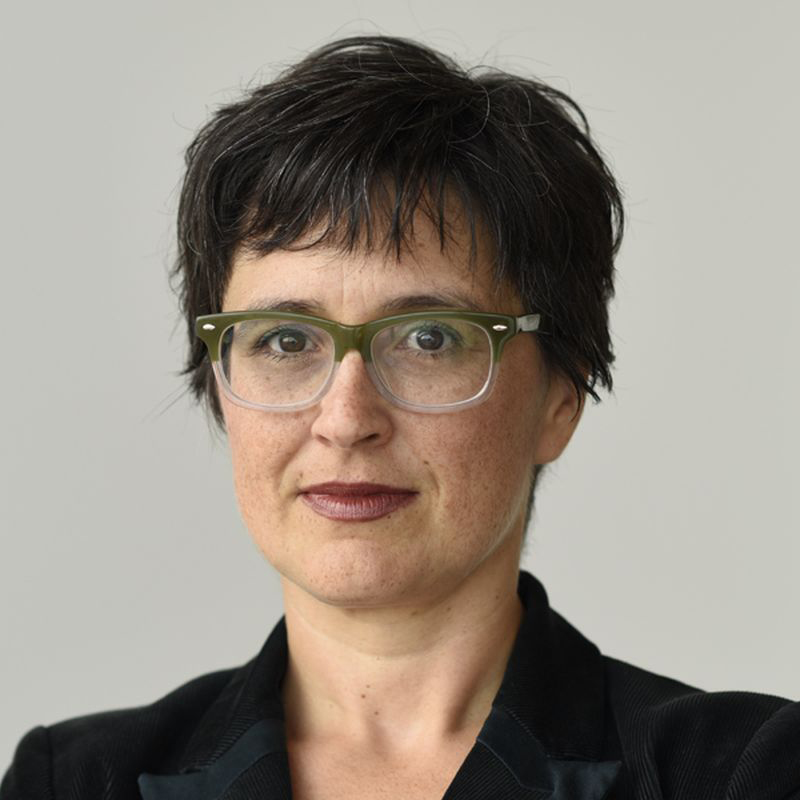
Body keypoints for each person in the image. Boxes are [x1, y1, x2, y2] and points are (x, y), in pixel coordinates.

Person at [2, 34, 798, 800]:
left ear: (562, 397)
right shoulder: (74, 781)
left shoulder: (741, 774)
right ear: (220, 382)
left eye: (428, 338)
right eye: (285, 340)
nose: (346, 419)